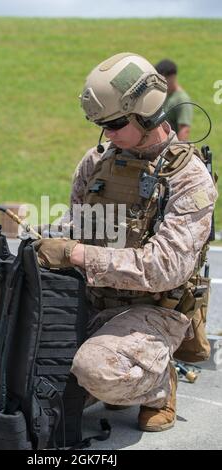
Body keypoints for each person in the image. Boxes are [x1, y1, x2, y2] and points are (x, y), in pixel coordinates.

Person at [34, 52, 217, 432]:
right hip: (93, 299)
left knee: (94, 369)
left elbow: (165, 267)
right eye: (101, 125)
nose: (108, 134)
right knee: (32, 365)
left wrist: (78, 254)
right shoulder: (96, 161)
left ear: (146, 112)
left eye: (115, 123)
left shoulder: (189, 179)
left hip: (155, 311)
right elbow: (76, 222)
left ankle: (156, 385)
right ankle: (108, 375)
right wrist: (44, 241)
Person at [155, 59, 192, 141]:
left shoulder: (181, 99)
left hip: (171, 146)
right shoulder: (163, 94)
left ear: (172, 77)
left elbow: (184, 130)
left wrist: (177, 150)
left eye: (162, 78)